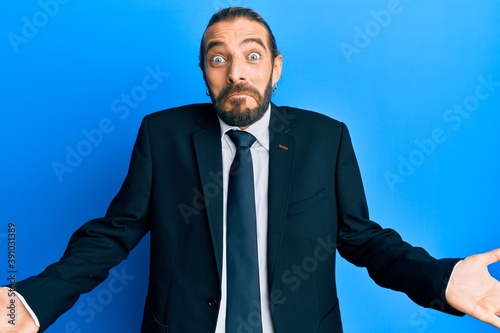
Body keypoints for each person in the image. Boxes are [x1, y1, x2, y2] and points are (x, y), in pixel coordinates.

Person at [1, 6, 499, 333]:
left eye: (252, 56)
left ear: (275, 68)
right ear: (205, 73)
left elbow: (363, 239)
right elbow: (113, 234)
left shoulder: (327, 138)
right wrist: (29, 302)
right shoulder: (163, 135)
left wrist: (442, 278)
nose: (236, 71)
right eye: (219, 59)